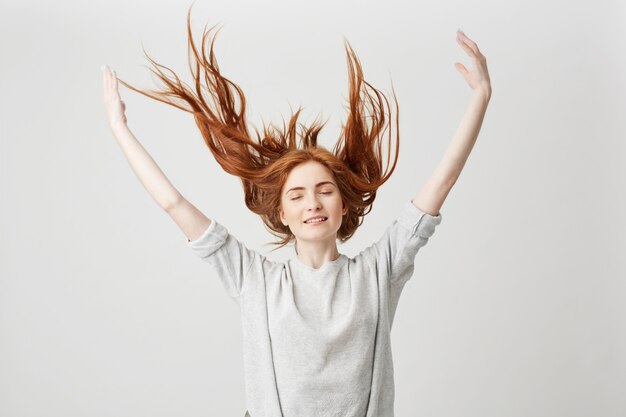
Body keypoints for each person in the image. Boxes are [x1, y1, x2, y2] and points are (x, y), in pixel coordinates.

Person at [102, 7, 491, 417]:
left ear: (343, 203)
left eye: (325, 191)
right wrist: (119, 131)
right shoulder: (255, 281)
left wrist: (481, 97)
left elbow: (441, 184)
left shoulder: (380, 271)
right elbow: (173, 203)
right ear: (282, 213)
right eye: (298, 196)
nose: (313, 204)